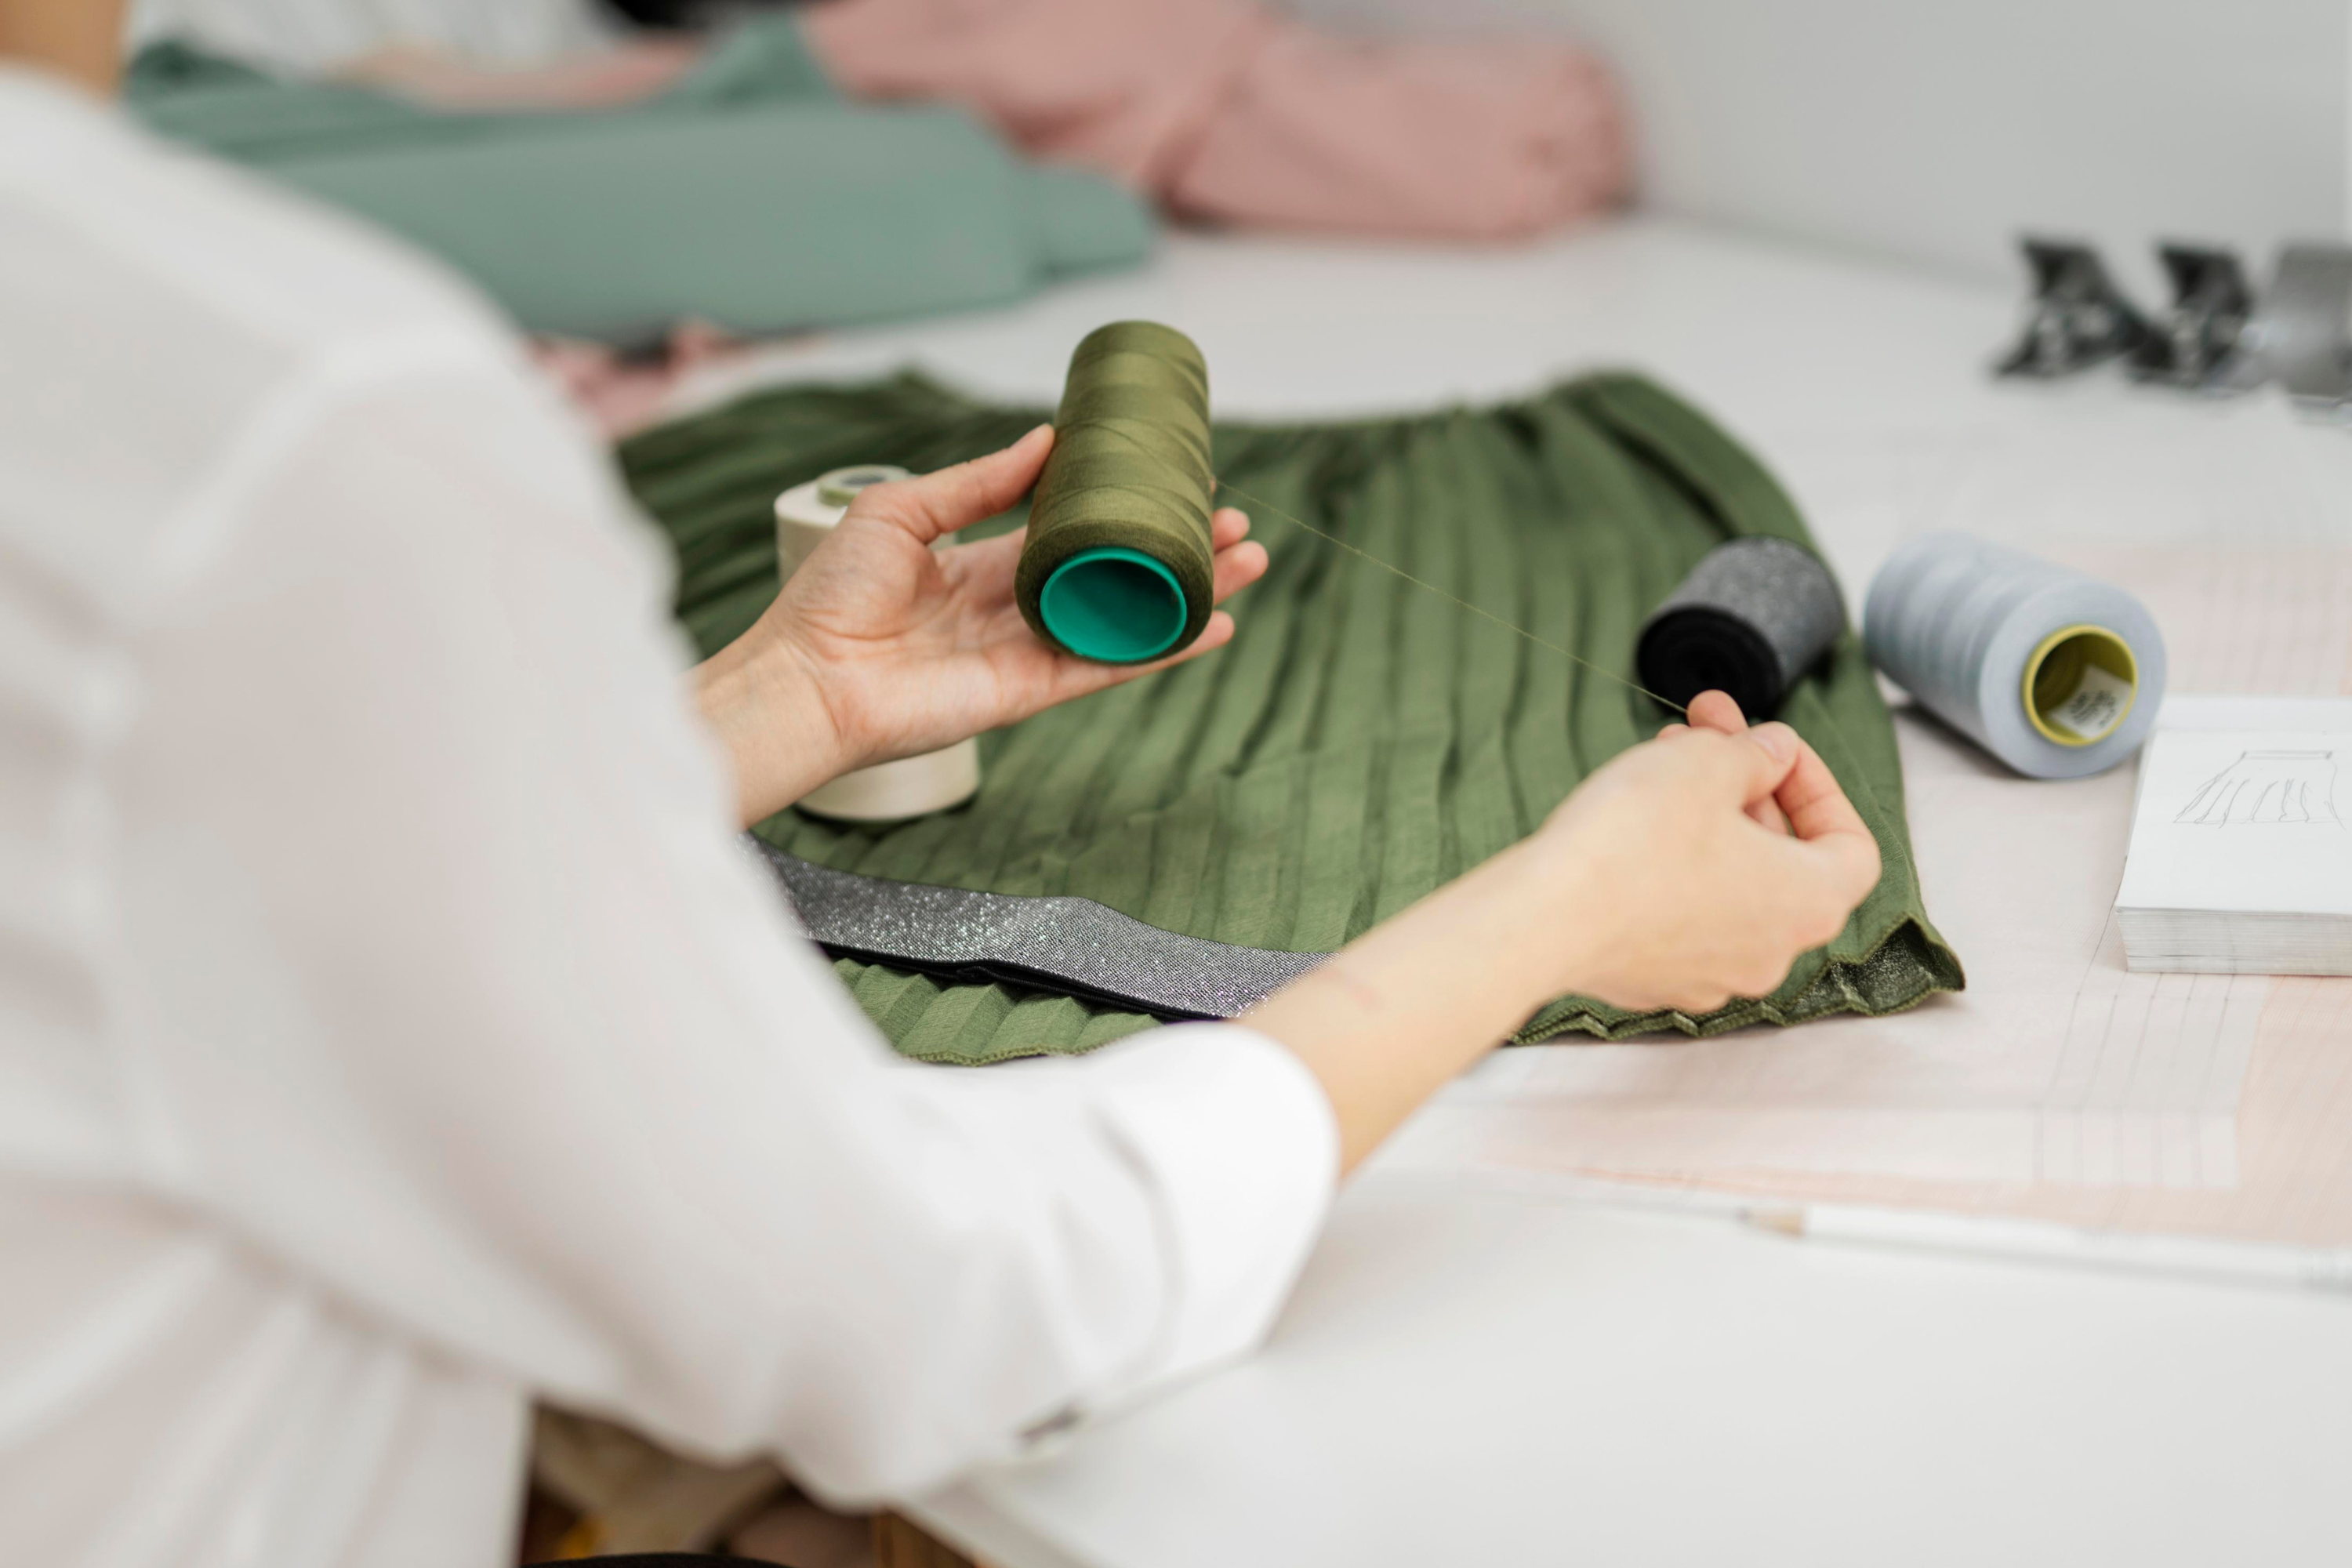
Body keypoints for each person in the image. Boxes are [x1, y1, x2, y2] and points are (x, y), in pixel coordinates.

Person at [0, 3, 1882, 1564]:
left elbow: (187, 879)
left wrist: (770, 708)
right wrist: (1553, 910)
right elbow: (918, 1308)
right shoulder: (286, 410)